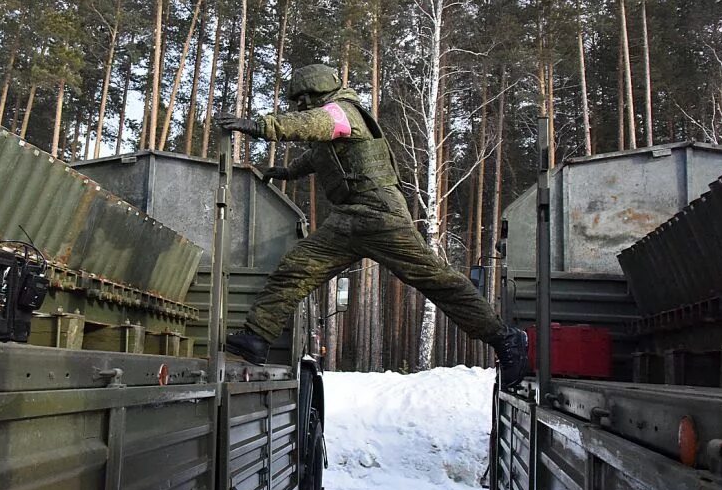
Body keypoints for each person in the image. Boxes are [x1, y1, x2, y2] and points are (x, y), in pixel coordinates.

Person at [216, 64, 528, 387]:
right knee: (296, 268)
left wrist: (259, 126)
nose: (300, 107)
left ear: (315, 94)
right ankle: (258, 337)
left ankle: (505, 338)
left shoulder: (341, 113)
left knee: (437, 280)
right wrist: (283, 172)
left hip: (381, 214)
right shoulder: (331, 127)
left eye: (303, 100)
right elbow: (314, 159)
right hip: (348, 219)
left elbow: (310, 124)